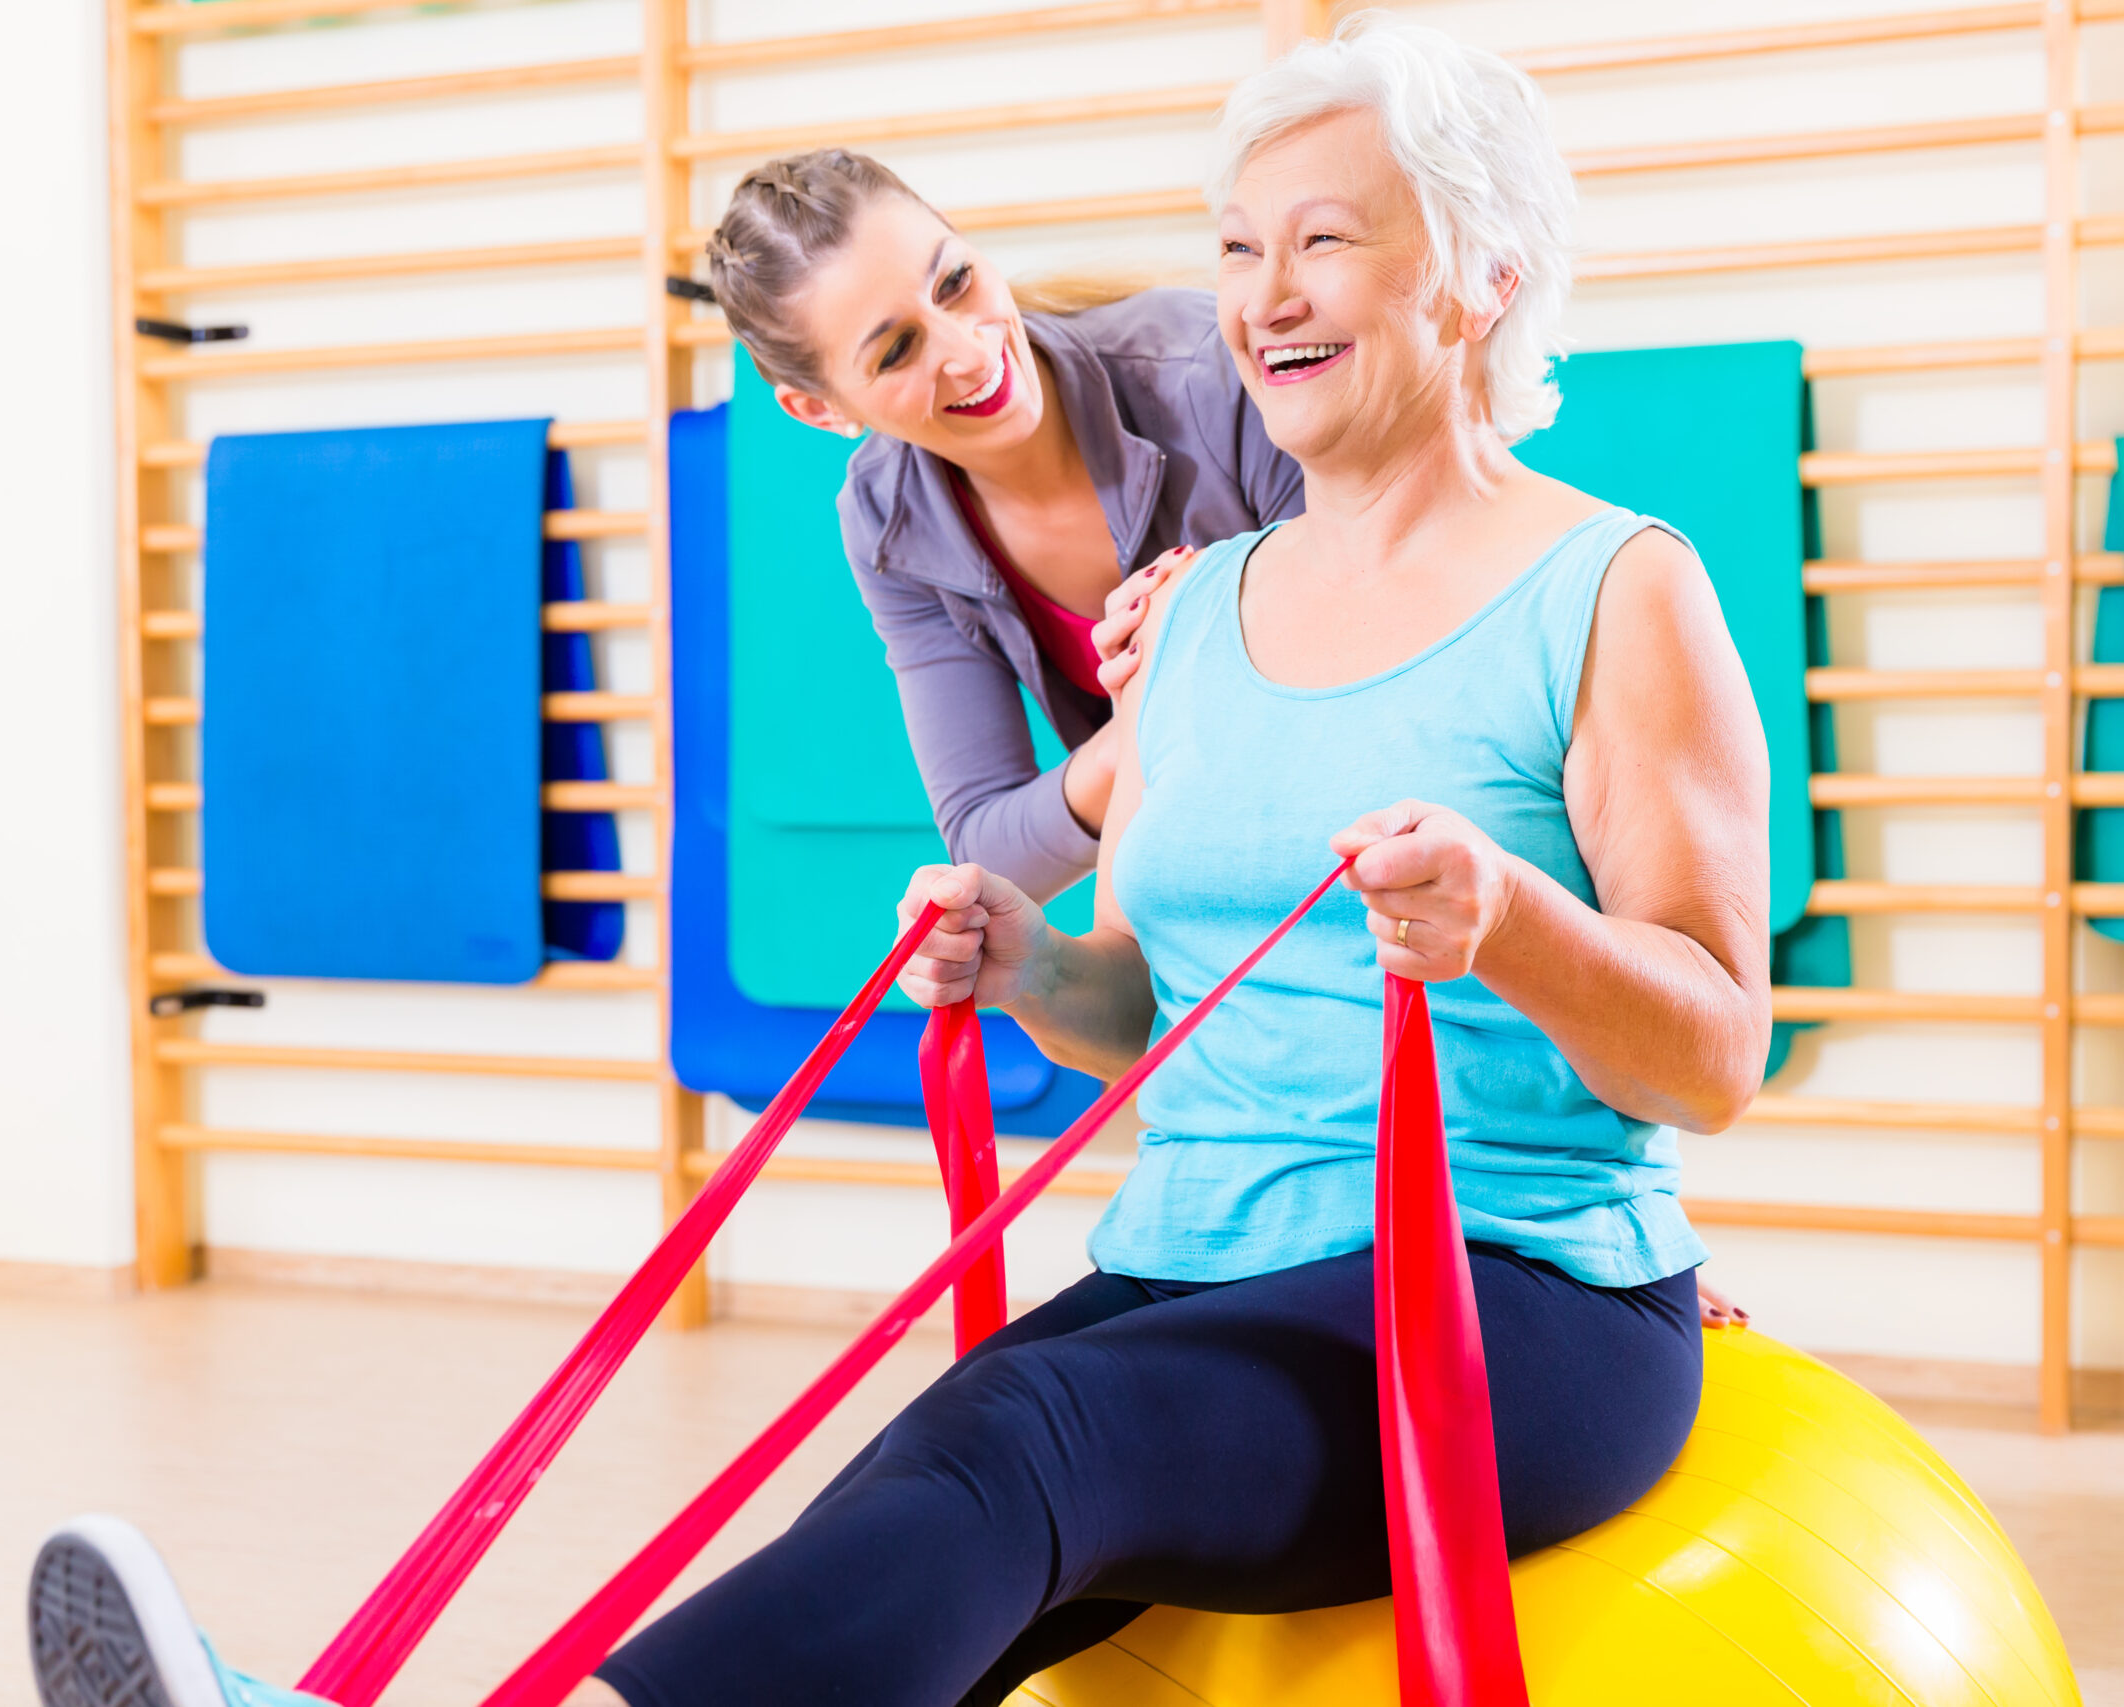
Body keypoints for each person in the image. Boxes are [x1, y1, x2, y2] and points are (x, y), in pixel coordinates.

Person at [574, 15, 1769, 1706]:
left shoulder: (1618, 589)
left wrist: (1508, 921)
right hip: (1200, 1254)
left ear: (1479, 277)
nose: (1266, 290)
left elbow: (1717, 1056)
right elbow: (1142, 1010)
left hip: (1514, 1284)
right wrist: (1024, 957)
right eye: (1237, 249)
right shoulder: (1189, 615)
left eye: (1326, 241)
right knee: (919, 1487)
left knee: (1027, 1435)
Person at [701, 152, 1305, 902]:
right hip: (1209, 888)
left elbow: (1367, 671)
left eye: (954, 282)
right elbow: (987, 843)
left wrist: (1169, 690)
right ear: (821, 411)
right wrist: (1147, 720)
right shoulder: (888, 523)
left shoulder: (1210, 376)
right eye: (897, 350)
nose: (968, 349)